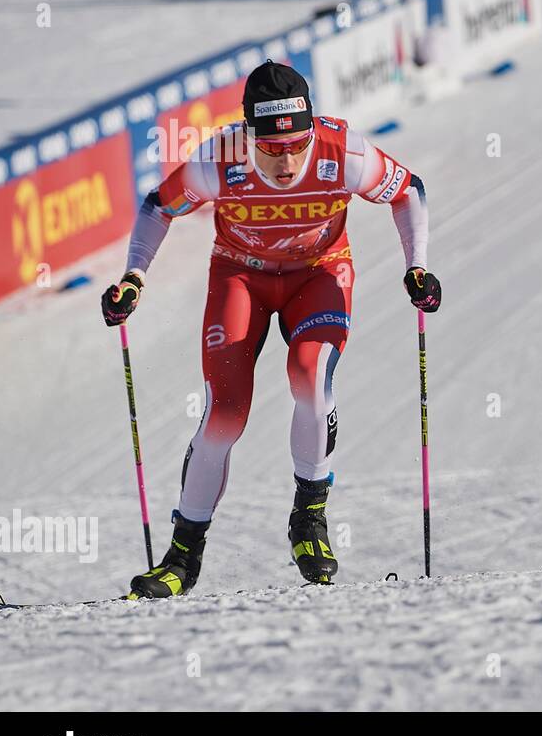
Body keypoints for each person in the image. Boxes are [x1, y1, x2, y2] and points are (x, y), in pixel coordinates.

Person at [101, 61, 442, 597]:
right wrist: (134, 277)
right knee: (226, 412)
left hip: (319, 272)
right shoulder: (221, 157)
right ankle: (182, 557)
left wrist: (416, 265)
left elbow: (407, 190)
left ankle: (309, 519)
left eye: (296, 146)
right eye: (270, 149)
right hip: (242, 277)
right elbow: (158, 207)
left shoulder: (341, 151)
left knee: (309, 375)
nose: (285, 162)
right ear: (248, 135)